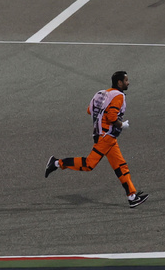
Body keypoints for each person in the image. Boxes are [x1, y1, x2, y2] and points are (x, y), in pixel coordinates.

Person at [45, 70, 148, 209]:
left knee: (121, 165)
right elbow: (112, 117)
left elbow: (89, 110)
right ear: (119, 82)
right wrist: (122, 125)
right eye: (126, 80)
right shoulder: (119, 96)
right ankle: (57, 163)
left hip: (105, 136)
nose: (128, 82)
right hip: (106, 137)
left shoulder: (101, 93)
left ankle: (132, 196)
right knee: (89, 164)